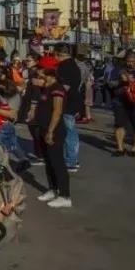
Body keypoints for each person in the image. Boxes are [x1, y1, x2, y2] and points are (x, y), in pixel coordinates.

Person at [32, 63, 72, 209]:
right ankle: (53, 189)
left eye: (41, 74)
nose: (39, 77)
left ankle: (65, 195)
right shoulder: (46, 88)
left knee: (57, 163)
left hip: (54, 130)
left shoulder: (57, 89)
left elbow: (57, 111)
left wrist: (50, 131)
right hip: (42, 128)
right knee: (48, 162)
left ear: (50, 75)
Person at [53, 44, 82, 173]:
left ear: (59, 54)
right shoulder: (75, 65)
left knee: (69, 132)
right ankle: (72, 159)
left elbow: (65, 86)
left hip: (67, 102)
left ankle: (71, 161)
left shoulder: (64, 67)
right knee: (69, 131)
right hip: (74, 101)